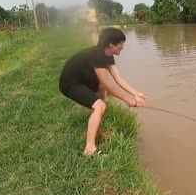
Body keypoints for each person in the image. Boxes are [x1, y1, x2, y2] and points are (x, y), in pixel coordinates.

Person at [59, 27, 145, 156]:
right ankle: (90, 149)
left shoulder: (107, 55)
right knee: (99, 105)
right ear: (111, 44)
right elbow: (106, 83)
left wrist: (135, 93)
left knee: (100, 94)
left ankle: (97, 120)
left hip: (83, 80)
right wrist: (127, 100)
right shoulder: (98, 55)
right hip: (70, 84)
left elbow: (118, 79)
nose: (123, 47)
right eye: (121, 43)